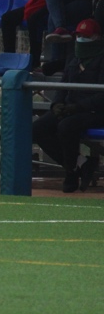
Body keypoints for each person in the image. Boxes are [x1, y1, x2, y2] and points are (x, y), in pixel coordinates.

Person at [32, 18, 104, 192]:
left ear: (96, 37)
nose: (80, 39)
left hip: (94, 111)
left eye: (85, 36)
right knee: (38, 128)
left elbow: (101, 96)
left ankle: (71, 173)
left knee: (66, 127)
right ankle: (82, 163)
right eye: (78, 35)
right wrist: (56, 104)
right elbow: (63, 86)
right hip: (70, 107)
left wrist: (78, 107)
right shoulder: (73, 56)